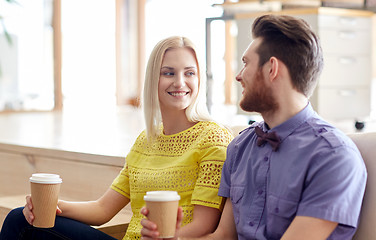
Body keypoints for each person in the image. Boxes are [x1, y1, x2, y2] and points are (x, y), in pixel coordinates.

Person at [140, 15, 367, 240]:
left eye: (246, 63)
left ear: (272, 69)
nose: (238, 76)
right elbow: (224, 236)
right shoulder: (240, 145)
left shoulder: (334, 157)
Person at [0, 36, 233, 240]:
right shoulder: (146, 140)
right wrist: (49, 206)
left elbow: (204, 226)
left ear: (199, 79)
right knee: (20, 218)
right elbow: (103, 209)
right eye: (168, 72)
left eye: (189, 73)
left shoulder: (212, 138)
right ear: (154, 79)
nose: (180, 82)